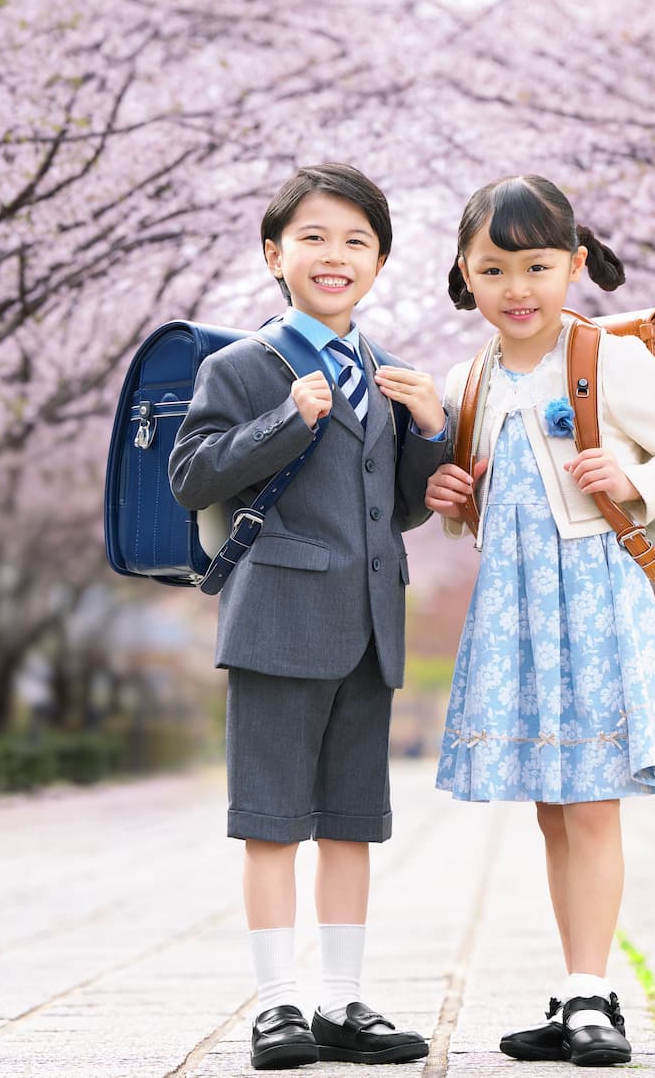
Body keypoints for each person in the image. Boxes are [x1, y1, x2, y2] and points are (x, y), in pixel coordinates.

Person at [424, 175, 655, 1067]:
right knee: (554, 810)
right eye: (494, 269)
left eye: (537, 265)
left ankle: (596, 996)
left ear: (575, 265)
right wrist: (449, 498)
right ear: (465, 276)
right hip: (516, 609)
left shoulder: (607, 358)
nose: (518, 288)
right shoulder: (465, 380)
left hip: (595, 601)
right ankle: (574, 994)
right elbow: (485, 509)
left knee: (591, 806)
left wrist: (637, 480)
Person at [170, 163, 449, 1071]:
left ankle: (342, 1002)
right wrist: (286, 420)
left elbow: (392, 510)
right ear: (274, 254)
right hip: (278, 620)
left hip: (371, 624)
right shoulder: (240, 366)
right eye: (315, 238)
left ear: (380, 262)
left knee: (350, 821)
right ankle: (276, 1005)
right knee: (270, 821)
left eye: (358, 242)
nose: (336, 256)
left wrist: (434, 444)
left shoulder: (386, 373)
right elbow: (193, 476)